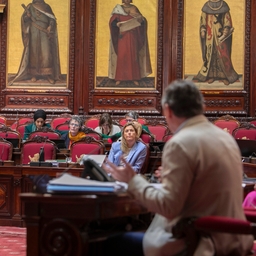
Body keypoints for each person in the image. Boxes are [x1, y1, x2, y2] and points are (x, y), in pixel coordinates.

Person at [102, 80, 253, 256]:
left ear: (168, 110)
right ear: (201, 106)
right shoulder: (225, 138)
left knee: (111, 243)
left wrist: (133, 181)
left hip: (198, 243)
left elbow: (169, 207)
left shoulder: (180, 143)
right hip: (232, 240)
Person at [10, 0, 61, 85]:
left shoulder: (47, 7)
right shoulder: (30, 6)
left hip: (45, 33)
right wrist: (27, 16)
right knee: (34, 53)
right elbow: (25, 20)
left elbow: (52, 19)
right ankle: (34, 75)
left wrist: (50, 26)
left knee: (46, 53)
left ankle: (48, 75)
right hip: (33, 32)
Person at [108, 0, 152, 86]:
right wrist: (116, 24)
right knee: (122, 56)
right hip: (122, 37)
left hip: (132, 36)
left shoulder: (134, 8)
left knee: (132, 56)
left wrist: (140, 18)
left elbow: (142, 21)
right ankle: (119, 78)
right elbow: (112, 22)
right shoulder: (118, 9)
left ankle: (134, 78)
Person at [196, 0, 239, 86]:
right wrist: (203, 30)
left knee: (223, 55)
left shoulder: (223, 5)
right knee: (210, 55)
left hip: (220, 36)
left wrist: (226, 28)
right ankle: (212, 75)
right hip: (210, 36)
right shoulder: (206, 6)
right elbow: (203, 20)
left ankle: (224, 76)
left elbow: (227, 19)